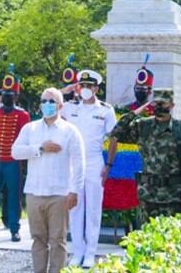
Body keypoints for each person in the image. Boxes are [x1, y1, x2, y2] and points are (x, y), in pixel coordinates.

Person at [12, 87, 85, 273]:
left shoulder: (70, 131)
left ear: (60, 105)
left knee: (58, 241)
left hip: (59, 194)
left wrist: (75, 191)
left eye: (51, 101)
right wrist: (40, 148)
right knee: (38, 240)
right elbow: (15, 152)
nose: (47, 105)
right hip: (34, 193)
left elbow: (79, 163)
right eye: (44, 101)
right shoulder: (30, 128)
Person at [109, 88, 181, 222]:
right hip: (147, 195)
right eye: (156, 103)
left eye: (163, 104)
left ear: (171, 105)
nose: (159, 107)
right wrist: (134, 113)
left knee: (170, 239)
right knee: (146, 237)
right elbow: (115, 134)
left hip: (173, 196)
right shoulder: (142, 126)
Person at [60, 70, 117, 268]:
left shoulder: (105, 110)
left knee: (93, 208)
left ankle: (91, 252)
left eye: (89, 86)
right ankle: (77, 252)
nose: (85, 89)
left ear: (96, 88)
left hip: (94, 162)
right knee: (74, 208)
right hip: (74, 163)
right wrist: (65, 90)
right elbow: (51, 104)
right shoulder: (70, 107)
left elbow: (114, 138)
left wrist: (108, 165)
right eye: (82, 85)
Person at [103, 65, 155, 222]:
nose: (140, 90)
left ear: (150, 91)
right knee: (129, 199)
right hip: (129, 163)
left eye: (144, 88)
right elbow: (116, 134)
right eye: (138, 87)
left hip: (149, 161)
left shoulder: (155, 111)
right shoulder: (127, 110)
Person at [0, 67, 30, 241]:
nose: (6, 97)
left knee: (13, 196)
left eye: (10, 94)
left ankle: (14, 228)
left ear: (16, 96)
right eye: (4, 94)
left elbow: (25, 138)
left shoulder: (22, 115)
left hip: (13, 162)